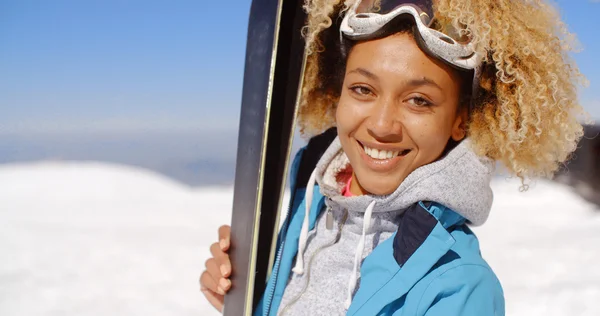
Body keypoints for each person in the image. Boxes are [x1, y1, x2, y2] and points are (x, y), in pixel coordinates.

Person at [200, 0, 586, 315]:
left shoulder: (461, 289)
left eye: (418, 100)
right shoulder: (313, 206)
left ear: (459, 121)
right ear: (338, 93)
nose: (382, 125)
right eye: (363, 89)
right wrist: (248, 294)